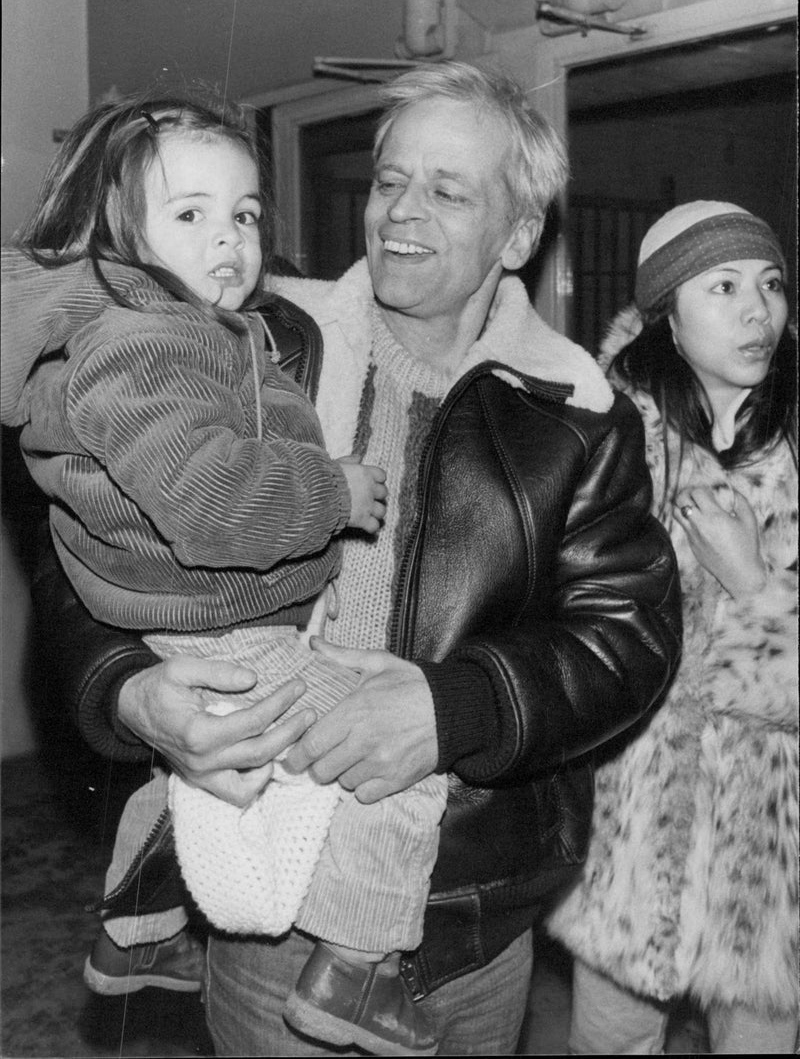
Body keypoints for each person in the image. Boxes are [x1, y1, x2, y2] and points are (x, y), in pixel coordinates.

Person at [16, 62, 682, 1056]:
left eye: (446, 189)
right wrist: (127, 694)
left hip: (472, 915)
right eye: (388, 180)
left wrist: (450, 707)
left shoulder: (579, 416)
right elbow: (82, 554)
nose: (399, 210)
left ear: (517, 235)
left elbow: (628, 638)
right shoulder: (251, 340)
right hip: (269, 914)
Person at [0, 91, 460, 1058]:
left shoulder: (197, 328)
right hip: (220, 616)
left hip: (201, 616)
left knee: (212, 777)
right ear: (120, 237)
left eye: (245, 214)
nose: (230, 241)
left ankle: (140, 934)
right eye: (190, 214)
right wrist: (331, 490)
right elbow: (212, 501)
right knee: (405, 769)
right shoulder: (145, 341)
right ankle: (358, 969)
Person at [547, 200, 799, 1055]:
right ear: (666, 315)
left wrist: (755, 585)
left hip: (771, 863)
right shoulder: (610, 443)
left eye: (770, 283)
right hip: (629, 840)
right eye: (722, 286)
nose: (757, 309)